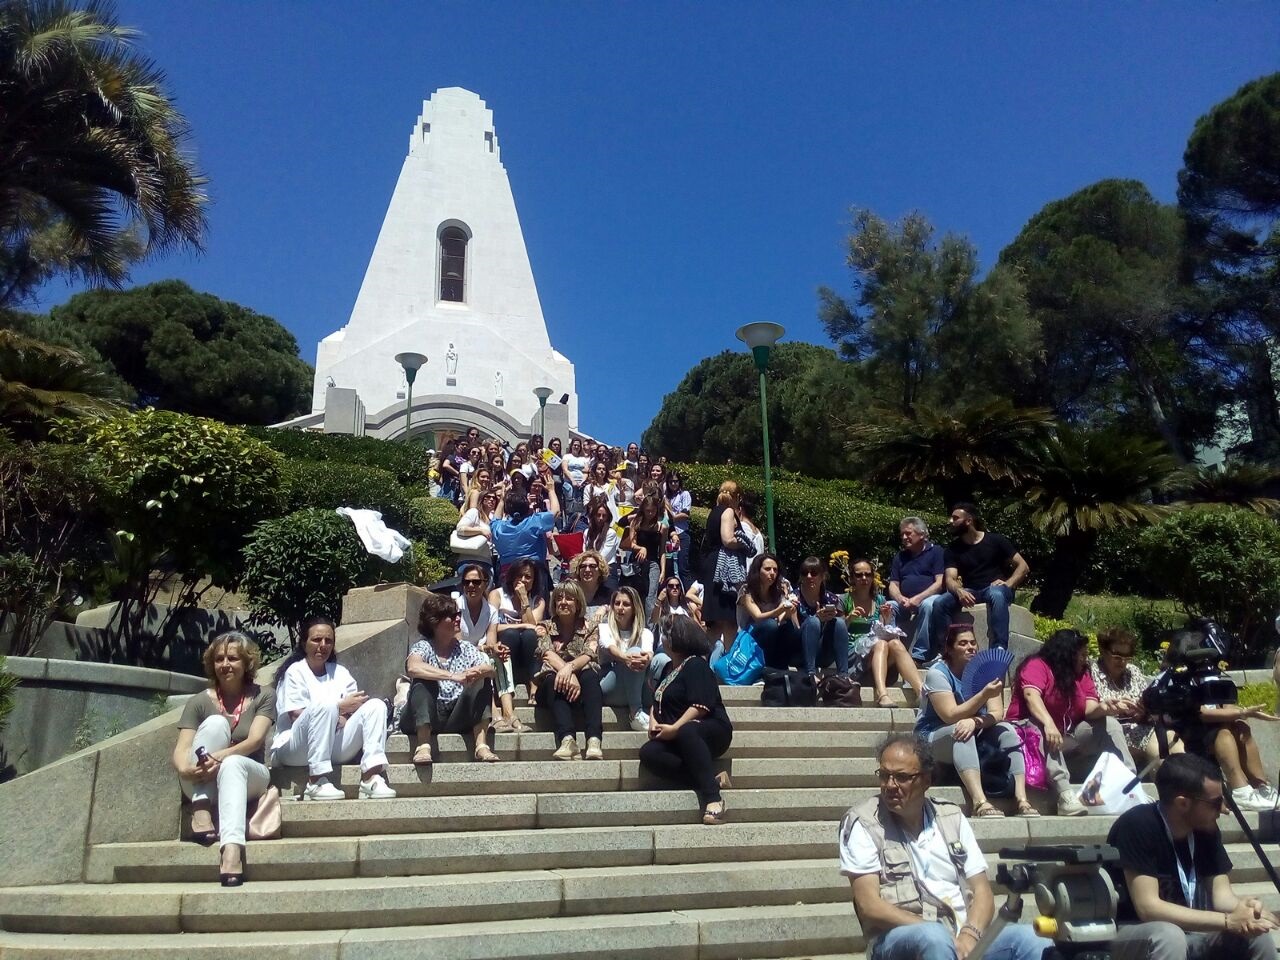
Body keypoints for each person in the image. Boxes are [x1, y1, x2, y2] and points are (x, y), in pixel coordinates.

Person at [840, 733, 1053, 960]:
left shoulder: (951, 816)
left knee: (1031, 939)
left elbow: (982, 892)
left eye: (901, 777)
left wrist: (969, 936)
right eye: (884, 775)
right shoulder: (863, 822)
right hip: (900, 942)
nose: (890, 785)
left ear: (927, 780)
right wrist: (943, 935)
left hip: (963, 937)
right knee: (934, 938)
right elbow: (869, 906)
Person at [1107, 752, 1278, 960]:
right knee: (1169, 936)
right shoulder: (1137, 825)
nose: (1224, 810)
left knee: (1254, 934)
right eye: (1215, 803)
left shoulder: (1206, 829)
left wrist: (1246, 911)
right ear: (1183, 803)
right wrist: (1227, 921)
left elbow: (1222, 897)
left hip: (1186, 932)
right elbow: (1148, 908)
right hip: (1132, 933)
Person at [173, 630, 276, 885]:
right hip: (200, 780)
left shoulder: (264, 696)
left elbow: (254, 741)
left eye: (233, 658)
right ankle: (201, 806)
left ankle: (231, 848)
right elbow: (181, 748)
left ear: (247, 662)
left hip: (250, 775)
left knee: (232, 763)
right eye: (219, 659)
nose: (225, 665)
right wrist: (185, 770)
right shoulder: (199, 701)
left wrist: (217, 757)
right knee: (216, 723)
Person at [1004, 628, 1136, 815]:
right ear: (1067, 654)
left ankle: (1127, 781)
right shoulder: (1037, 665)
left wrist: (1105, 708)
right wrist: (1049, 723)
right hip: (1030, 739)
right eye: (1082, 655)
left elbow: (1090, 709)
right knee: (1040, 724)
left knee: (1110, 724)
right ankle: (1065, 794)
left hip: (1066, 740)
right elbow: (1031, 696)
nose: (1085, 659)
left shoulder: (1082, 674)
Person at [916, 624, 1037, 818]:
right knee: (960, 729)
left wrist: (976, 722)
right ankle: (979, 802)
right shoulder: (938, 674)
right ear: (949, 649)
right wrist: (983, 695)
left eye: (973, 643)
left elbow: (997, 713)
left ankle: (1022, 800)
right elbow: (950, 715)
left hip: (972, 730)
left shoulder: (985, 672)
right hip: (932, 736)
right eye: (962, 643)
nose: (970, 647)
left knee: (1007, 730)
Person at [270, 615, 396, 801]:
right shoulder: (295, 672)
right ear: (304, 644)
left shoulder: (340, 673)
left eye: (328, 641)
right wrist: (338, 708)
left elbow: (357, 706)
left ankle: (371, 777)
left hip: (333, 744)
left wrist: (338, 714)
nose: (323, 645)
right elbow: (297, 716)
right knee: (326, 704)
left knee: (376, 705)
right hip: (295, 749)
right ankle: (316, 781)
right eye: (316, 639)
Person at [1160, 628, 1280, 811]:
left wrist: (1243, 713)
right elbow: (1199, 713)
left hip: (1209, 728)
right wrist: (1242, 713)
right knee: (1224, 734)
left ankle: (1260, 785)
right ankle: (1240, 789)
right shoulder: (1173, 678)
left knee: (1241, 728)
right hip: (1186, 730)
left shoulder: (1207, 674)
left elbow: (1226, 704)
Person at [639, 616, 733, 825]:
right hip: (677, 735)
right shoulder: (668, 669)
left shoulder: (696, 665)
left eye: (666, 634)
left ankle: (713, 799)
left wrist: (675, 728)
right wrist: (654, 722)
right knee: (649, 752)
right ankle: (712, 779)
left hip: (708, 730)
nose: (662, 638)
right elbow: (657, 701)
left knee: (688, 730)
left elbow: (700, 707)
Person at [400, 592, 499, 764]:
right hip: (423, 715)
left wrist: (480, 671)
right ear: (434, 622)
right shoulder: (423, 646)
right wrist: (453, 676)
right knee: (423, 682)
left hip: (455, 715)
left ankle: (481, 745)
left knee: (482, 680)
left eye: (458, 614)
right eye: (451, 616)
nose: (457, 619)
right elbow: (413, 667)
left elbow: (490, 670)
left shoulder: (466, 648)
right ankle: (423, 746)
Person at [935, 503, 1030, 651]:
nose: (950, 522)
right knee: (940, 603)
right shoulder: (953, 549)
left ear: (969, 521)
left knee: (996, 594)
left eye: (955, 518)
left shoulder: (996, 541)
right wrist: (960, 591)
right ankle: (946, 651)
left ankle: (999, 648)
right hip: (971, 590)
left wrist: (1008, 584)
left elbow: (1023, 566)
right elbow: (950, 579)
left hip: (994, 588)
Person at [1091, 627, 1183, 771]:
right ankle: (1170, 787)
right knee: (1160, 754)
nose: (1122, 662)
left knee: (1171, 738)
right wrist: (1111, 709)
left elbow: (1147, 706)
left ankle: (1189, 786)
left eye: (1127, 658)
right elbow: (1087, 710)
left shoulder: (1133, 672)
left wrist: (1142, 713)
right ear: (1103, 651)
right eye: (1117, 657)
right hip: (1110, 732)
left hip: (1140, 727)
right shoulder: (1091, 672)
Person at [535, 581, 604, 761]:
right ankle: (567, 739)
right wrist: (567, 674)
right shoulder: (544, 626)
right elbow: (547, 653)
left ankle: (594, 740)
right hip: (551, 687)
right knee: (553, 679)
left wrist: (570, 669)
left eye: (569, 598)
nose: (563, 602)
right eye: (559, 598)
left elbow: (590, 654)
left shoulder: (591, 627)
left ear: (578, 603)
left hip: (581, 683)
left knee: (590, 676)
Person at [845, 558, 923, 707]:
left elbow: (886, 632)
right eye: (859, 575)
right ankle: (882, 694)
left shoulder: (880, 600)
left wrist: (886, 620)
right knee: (881, 643)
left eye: (867, 575)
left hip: (878, 657)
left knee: (894, 642)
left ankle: (921, 692)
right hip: (854, 659)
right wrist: (849, 618)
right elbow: (836, 633)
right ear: (852, 578)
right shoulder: (844, 600)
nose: (864, 578)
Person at [455, 562, 523, 733]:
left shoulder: (491, 610)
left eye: (476, 582)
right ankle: (493, 712)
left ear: (485, 583)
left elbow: (491, 640)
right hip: (458, 655)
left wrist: (497, 648)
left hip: (480, 650)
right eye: (467, 582)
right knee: (484, 659)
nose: (471, 586)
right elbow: (458, 643)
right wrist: (486, 649)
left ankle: (508, 712)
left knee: (502, 657)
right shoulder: (454, 607)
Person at [599, 586, 668, 731]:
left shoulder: (645, 633)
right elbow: (612, 649)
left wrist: (646, 658)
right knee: (636, 652)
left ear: (634, 608)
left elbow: (649, 653)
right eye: (617, 603)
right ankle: (635, 713)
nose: (620, 608)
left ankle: (661, 707)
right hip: (611, 687)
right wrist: (627, 658)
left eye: (626, 604)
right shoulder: (604, 629)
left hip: (638, 688)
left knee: (661, 658)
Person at [490, 459, 560, 596]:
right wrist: (551, 490)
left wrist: (503, 499)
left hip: (508, 576)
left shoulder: (499, 528)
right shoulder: (534, 522)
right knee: (538, 611)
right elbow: (556, 512)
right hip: (533, 575)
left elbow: (495, 520)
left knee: (509, 610)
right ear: (527, 508)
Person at [886, 517, 948, 664]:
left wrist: (918, 598)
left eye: (908, 533)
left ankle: (919, 655)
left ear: (921, 534)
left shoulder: (937, 552)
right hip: (905, 601)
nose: (904, 537)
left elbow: (940, 583)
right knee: (888, 607)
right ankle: (892, 650)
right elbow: (893, 585)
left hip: (929, 597)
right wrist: (900, 598)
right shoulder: (900, 557)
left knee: (928, 605)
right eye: (902, 534)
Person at [490, 558, 545, 705]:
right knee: (511, 634)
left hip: (528, 649)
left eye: (528, 577)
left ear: (534, 580)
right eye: (519, 576)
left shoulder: (538, 601)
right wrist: (519, 626)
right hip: (506, 646)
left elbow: (533, 628)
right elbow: (491, 627)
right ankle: (506, 687)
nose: (523, 580)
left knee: (529, 635)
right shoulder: (497, 595)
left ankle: (534, 687)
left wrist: (524, 600)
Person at [700, 480, 748, 646]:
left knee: (715, 624)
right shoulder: (728, 512)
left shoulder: (714, 512)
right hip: (723, 571)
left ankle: (702, 659)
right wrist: (744, 543)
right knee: (728, 621)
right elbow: (727, 539)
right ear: (737, 497)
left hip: (712, 566)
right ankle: (727, 660)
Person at [739, 553, 801, 670]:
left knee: (791, 629)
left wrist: (789, 611)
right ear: (758, 571)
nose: (772, 573)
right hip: (751, 638)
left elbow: (780, 620)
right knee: (770, 625)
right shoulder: (747, 591)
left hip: (773, 633)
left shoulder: (780, 589)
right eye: (767, 569)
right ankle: (764, 666)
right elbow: (758, 617)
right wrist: (779, 610)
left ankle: (780, 667)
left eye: (775, 570)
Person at [794, 556, 851, 679]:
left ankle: (844, 675)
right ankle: (810, 674)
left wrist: (834, 619)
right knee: (813, 621)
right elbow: (794, 630)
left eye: (814, 573)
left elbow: (841, 631)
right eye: (805, 573)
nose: (809, 577)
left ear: (823, 576)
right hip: (800, 649)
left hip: (823, 651)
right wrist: (816, 618)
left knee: (839, 623)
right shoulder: (794, 598)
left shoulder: (831, 599)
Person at [621, 492, 666, 617]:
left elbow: (662, 551)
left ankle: (650, 629)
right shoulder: (636, 523)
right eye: (647, 511)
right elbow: (632, 544)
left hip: (653, 563)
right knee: (635, 595)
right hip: (637, 562)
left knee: (651, 597)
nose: (650, 514)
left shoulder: (662, 527)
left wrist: (663, 571)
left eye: (652, 511)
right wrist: (641, 548)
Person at [664, 470, 693, 587]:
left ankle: (688, 592)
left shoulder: (684, 494)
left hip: (681, 534)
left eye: (676, 481)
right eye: (671, 482)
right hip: (668, 534)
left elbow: (685, 514)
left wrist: (671, 513)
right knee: (669, 567)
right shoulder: (666, 496)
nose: (673, 484)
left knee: (682, 567)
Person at [569, 548, 613, 619]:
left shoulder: (610, 594)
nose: (587, 570)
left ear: (600, 570)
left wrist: (606, 608)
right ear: (578, 570)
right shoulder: (571, 592)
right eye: (583, 566)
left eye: (592, 566)